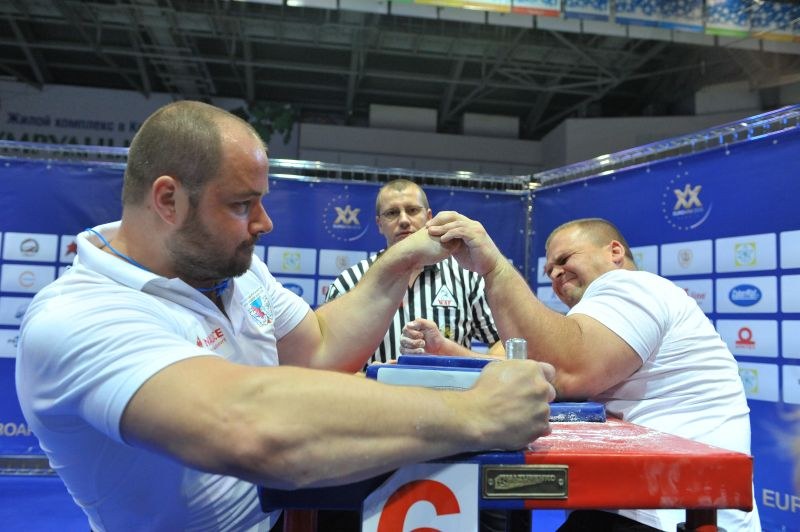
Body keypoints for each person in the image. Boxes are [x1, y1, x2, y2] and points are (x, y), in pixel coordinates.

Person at [14, 101, 557, 532]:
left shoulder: (230, 267)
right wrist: (477, 413)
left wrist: (404, 257)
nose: (265, 222)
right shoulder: (79, 316)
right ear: (168, 200)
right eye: (241, 205)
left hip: (289, 515)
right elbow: (252, 429)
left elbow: (320, 348)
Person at [405, 214, 761, 532]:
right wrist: (451, 352)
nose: (556, 273)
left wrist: (494, 268)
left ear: (614, 253)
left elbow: (568, 373)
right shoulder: (605, 317)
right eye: (550, 271)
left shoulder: (631, 286)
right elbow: (533, 374)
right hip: (649, 504)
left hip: (675, 514)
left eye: (564, 259)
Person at [326, 178, 503, 365]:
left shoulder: (467, 279)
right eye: (392, 213)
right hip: (375, 394)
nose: (403, 220)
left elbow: (505, 343)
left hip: (446, 394)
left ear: (428, 217)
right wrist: (370, 377)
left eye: (412, 210)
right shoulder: (349, 283)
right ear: (379, 224)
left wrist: (452, 355)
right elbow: (327, 362)